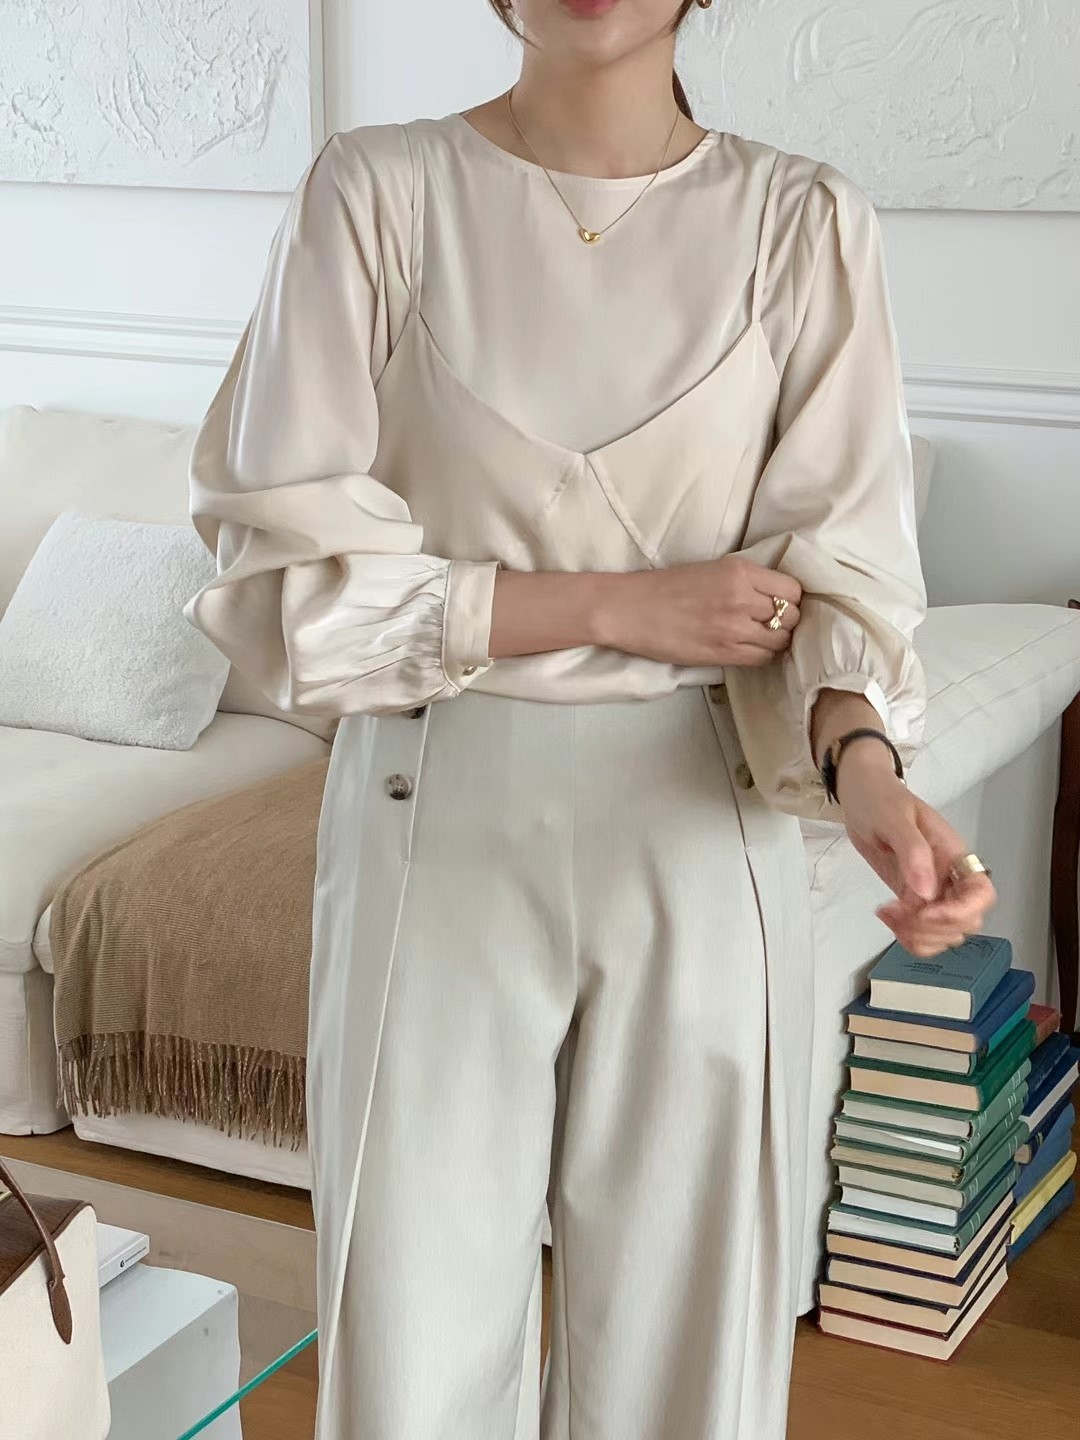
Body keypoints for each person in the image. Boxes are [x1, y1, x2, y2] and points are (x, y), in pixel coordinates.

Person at [185, 2, 997, 1435]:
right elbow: (283, 582)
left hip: (701, 826)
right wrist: (623, 606)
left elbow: (840, 572)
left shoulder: (803, 225)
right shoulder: (376, 194)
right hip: (431, 814)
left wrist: (867, 772)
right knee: (412, 1339)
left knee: (688, 1352)